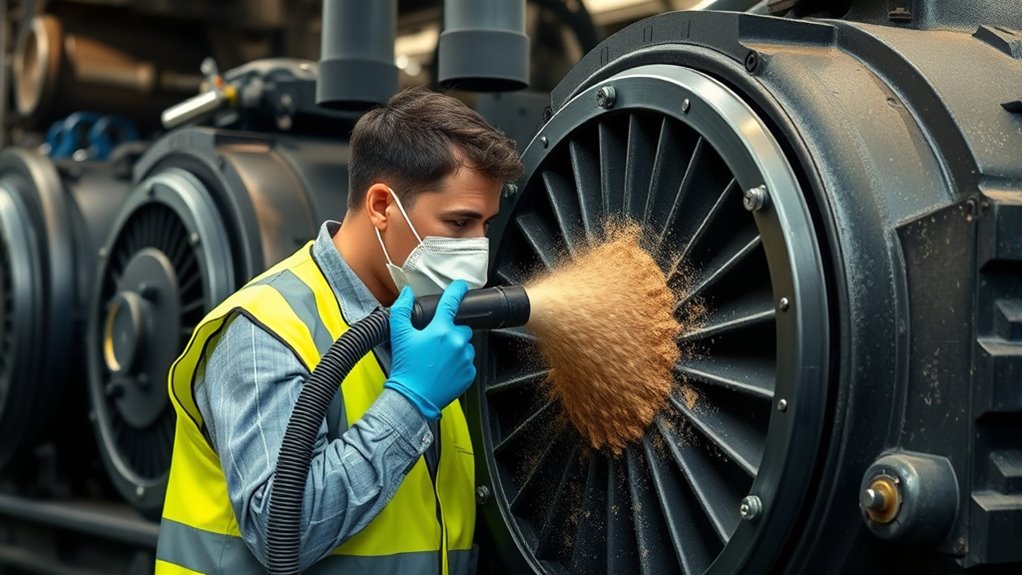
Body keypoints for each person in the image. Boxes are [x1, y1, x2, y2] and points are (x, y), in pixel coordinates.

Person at [155, 88, 523, 574]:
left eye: (486, 225)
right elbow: (281, 531)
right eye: (458, 222)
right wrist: (409, 403)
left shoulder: (424, 326)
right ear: (380, 206)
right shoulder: (266, 330)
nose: (477, 247)